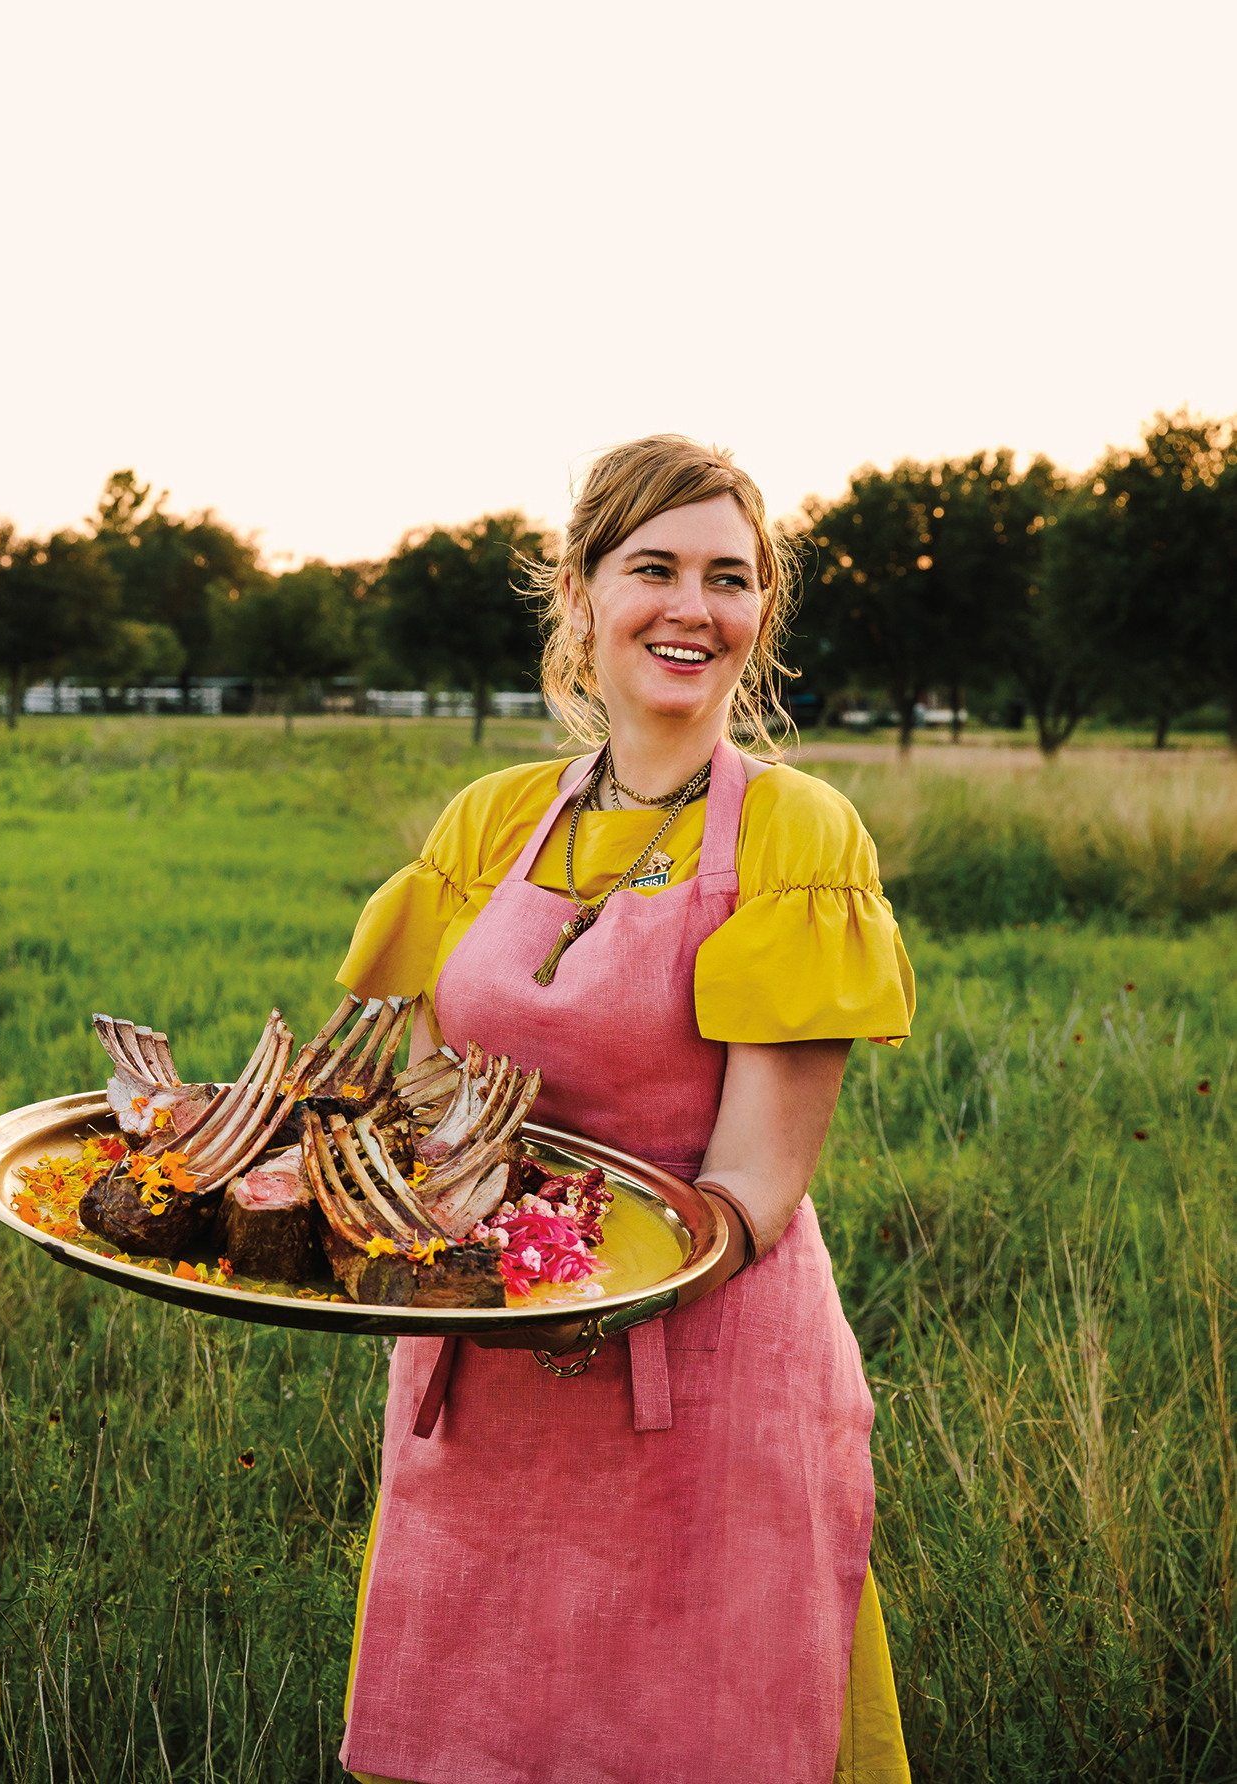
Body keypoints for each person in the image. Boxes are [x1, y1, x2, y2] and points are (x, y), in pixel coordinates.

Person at [335, 435, 916, 1784]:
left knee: (700, 1732)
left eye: (730, 577)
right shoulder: (491, 822)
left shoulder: (796, 835)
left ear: (760, 614)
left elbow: (757, 1183)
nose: (692, 608)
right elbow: (428, 1100)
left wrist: (564, 1277)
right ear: (582, 592)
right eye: (653, 566)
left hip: (702, 1368)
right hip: (482, 1369)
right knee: (486, 1728)